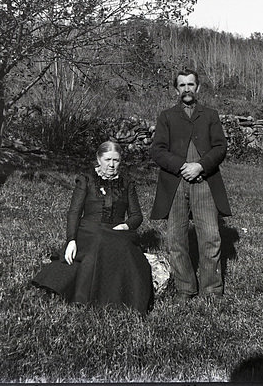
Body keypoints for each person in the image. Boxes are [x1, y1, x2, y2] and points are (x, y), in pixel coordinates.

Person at [33, 141, 153, 314]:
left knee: (126, 250)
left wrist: (126, 226)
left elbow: (137, 216)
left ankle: (128, 303)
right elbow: (74, 212)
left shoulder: (127, 183)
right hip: (89, 230)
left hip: (117, 231)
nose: (112, 165)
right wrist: (71, 240)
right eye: (107, 160)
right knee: (100, 239)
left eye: (116, 160)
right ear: (99, 159)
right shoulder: (86, 180)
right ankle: (83, 298)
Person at [150, 68, 232, 303]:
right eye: (182, 85)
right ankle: (185, 288)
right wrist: (181, 166)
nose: (187, 89)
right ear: (176, 89)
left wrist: (200, 166)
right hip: (174, 185)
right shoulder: (167, 116)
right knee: (176, 239)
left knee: (210, 237)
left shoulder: (210, 115)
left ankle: (212, 290)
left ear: (198, 88)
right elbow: (157, 150)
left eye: (191, 84)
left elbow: (220, 148)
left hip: (204, 182)